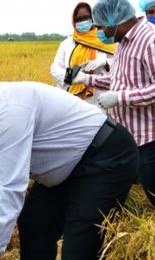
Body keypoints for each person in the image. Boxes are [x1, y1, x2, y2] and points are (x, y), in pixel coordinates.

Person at [0, 69, 139, 260]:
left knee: (78, 247)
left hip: (105, 156)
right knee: (34, 222)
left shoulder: (4, 113)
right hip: (68, 166)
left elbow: (9, 192)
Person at [73, 0, 155, 206]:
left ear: (115, 20)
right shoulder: (121, 42)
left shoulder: (149, 39)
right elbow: (117, 79)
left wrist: (120, 98)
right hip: (128, 136)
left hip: (149, 140)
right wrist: (87, 79)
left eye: (101, 26)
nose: (99, 31)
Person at [50, 2, 115, 105]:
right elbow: (55, 68)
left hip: (98, 98)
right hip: (71, 99)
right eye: (79, 20)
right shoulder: (67, 44)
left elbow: (120, 64)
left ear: (93, 18)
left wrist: (105, 62)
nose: (82, 22)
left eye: (86, 18)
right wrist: (71, 77)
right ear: (73, 22)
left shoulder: (104, 39)